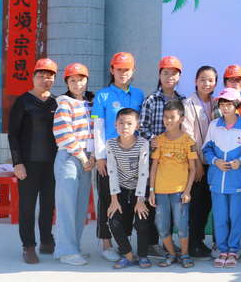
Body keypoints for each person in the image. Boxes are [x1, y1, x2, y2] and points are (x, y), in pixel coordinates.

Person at [93, 52, 144, 262]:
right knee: (107, 200)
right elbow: (97, 128)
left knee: (128, 201)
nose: (123, 73)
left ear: (133, 71)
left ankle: (125, 242)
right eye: (119, 69)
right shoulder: (102, 95)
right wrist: (100, 157)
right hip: (109, 158)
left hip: (132, 158)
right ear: (112, 70)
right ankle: (107, 244)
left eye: (127, 69)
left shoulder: (139, 94)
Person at [9, 59, 59, 264]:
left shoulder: (57, 102)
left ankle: (47, 241)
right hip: (28, 164)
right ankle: (28, 246)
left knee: (48, 206)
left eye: (49, 77)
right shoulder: (22, 101)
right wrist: (17, 162)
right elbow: (13, 134)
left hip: (52, 163)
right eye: (40, 76)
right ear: (32, 77)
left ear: (54, 79)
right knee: (28, 207)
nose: (44, 80)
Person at [138, 55, 186, 259]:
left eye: (174, 74)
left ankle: (169, 242)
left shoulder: (183, 100)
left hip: (176, 163)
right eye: (166, 73)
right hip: (156, 161)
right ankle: (152, 243)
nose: (169, 77)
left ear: (179, 76)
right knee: (155, 203)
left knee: (174, 203)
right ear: (159, 75)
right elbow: (142, 128)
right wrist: (154, 140)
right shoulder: (151, 100)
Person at [52, 63, 95, 266]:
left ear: (87, 81)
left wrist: (92, 155)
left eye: (81, 79)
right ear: (67, 83)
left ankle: (73, 248)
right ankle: (66, 251)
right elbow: (63, 134)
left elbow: (93, 132)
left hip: (86, 158)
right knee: (66, 207)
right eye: (73, 80)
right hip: (69, 158)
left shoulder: (89, 105)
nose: (78, 83)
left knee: (79, 207)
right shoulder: (64, 104)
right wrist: (83, 157)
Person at [203, 88, 241, 269]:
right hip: (217, 181)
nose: (225, 107)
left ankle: (233, 250)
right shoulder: (214, 125)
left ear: (237, 105)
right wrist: (215, 161)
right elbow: (206, 149)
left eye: (229, 104)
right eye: (222, 104)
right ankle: (222, 250)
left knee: (236, 217)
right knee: (220, 217)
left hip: (237, 181)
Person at [149, 100, 197, 268]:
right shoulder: (158, 141)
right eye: (165, 117)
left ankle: (185, 255)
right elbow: (154, 167)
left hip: (179, 192)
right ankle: (171, 254)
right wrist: (152, 190)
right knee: (162, 226)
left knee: (181, 225)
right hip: (160, 192)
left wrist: (187, 191)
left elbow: (193, 169)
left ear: (182, 119)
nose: (168, 120)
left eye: (172, 117)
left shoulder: (188, 141)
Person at [106, 107, 152, 269]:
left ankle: (143, 255)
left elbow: (143, 172)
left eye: (129, 123)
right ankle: (128, 255)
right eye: (121, 123)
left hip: (140, 189)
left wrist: (140, 200)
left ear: (137, 126)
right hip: (121, 189)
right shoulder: (111, 144)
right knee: (113, 220)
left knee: (142, 221)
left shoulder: (143, 143)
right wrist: (114, 200)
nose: (125, 126)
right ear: (115, 125)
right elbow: (112, 172)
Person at [182, 65, 218, 260]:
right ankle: (192, 244)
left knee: (206, 204)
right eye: (202, 79)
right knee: (195, 205)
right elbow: (187, 136)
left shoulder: (216, 103)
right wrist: (195, 164)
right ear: (196, 81)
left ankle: (199, 240)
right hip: (195, 163)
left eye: (211, 80)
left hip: (211, 163)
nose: (206, 84)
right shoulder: (188, 104)